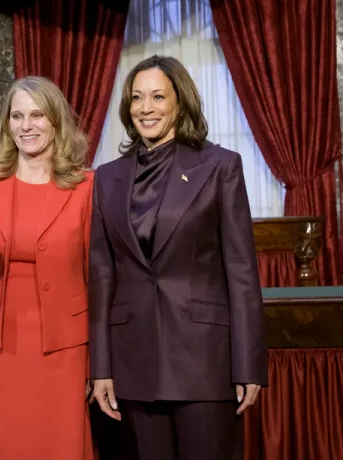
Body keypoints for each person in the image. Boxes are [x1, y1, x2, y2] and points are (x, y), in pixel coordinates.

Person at [89, 55, 268, 460]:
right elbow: (101, 276)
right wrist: (100, 367)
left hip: (204, 361)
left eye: (157, 96)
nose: (145, 107)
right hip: (133, 361)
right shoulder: (106, 177)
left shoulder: (221, 166)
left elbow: (241, 273)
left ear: (180, 103)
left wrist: (248, 366)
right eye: (137, 97)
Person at [0, 76, 95, 459]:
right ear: (6, 124)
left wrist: (99, 361)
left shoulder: (87, 187)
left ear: (56, 121)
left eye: (37, 115)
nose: (26, 126)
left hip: (64, 352)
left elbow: (100, 280)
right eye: (17, 116)